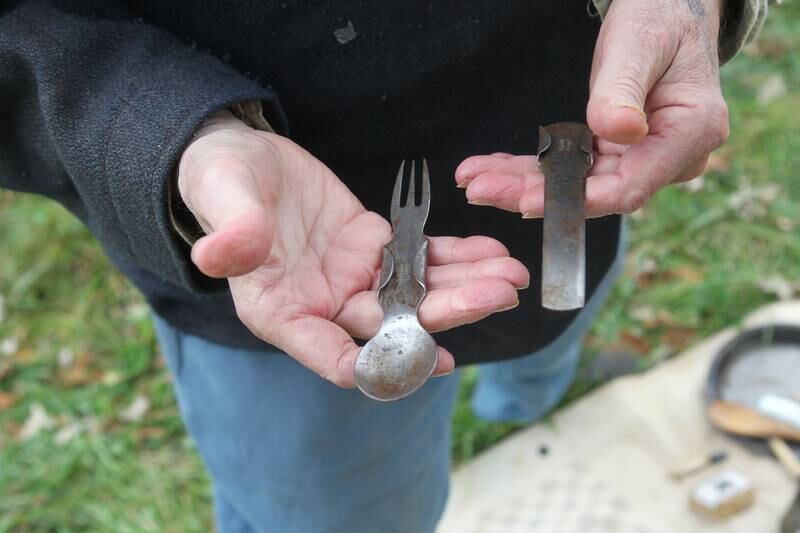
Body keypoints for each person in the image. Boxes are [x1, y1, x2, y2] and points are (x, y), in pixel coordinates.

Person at [0, 0, 768, 531]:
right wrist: (169, 135)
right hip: (285, 251)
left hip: (563, 145)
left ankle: (525, 404)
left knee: (554, 320)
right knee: (341, 513)